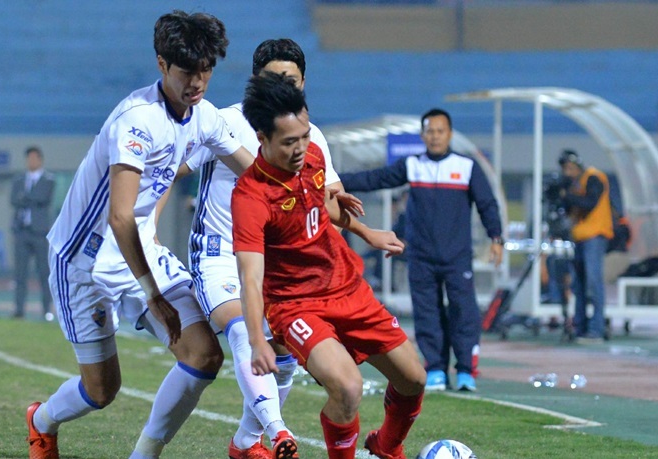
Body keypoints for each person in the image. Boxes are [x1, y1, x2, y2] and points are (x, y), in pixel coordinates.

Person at [25, 10, 255, 459]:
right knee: (102, 390)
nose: (198, 81)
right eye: (188, 70)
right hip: (82, 262)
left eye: (206, 70)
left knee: (204, 354)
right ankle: (41, 420)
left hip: (138, 248)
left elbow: (259, 172)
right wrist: (154, 297)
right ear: (161, 65)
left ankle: (144, 454)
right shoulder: (136, 119)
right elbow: (120, 217)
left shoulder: (204, 117)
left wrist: (322, 195)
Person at [233, 72, 426, 459]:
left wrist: (365, 230)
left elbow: (321, 202)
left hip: (346, 287)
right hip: (296, 305)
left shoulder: (313, 157)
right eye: (289, 142)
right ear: (262, 139)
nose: (301, 147)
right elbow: (250, 279)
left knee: (413, 378)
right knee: (348, 387)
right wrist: (257, 340)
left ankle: (386, 446)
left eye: (305, 136)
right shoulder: (251, 198)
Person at [182, 38, 341, 459]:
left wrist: (358, 229)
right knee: (243, 331)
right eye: (273, 80)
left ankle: (244, 443)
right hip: (218, 255)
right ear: (255, 81)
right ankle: (278, 431)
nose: (282, 88)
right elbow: (173, 169)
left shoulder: (311, 136)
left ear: (303, 83)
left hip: (278, 266)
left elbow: (332, 199)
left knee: (284, 356)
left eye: (290, 80)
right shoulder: (223, 121)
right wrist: (146, 226)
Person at [339, 108, 503, 392]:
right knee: (427, 314)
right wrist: (334, 179)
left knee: (464, 313)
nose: (435, 136)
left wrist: (497, 238)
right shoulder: (413, 165)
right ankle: (436, 368)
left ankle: (466, 370)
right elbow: (376, 178)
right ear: (422, 135)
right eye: (430, 131)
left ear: (449, 134)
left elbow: (487, 204)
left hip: (457, 257)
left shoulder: (466, 167)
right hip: (421, 257)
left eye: (440, 131)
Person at [558, 149, 614, 343]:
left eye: (570, 168)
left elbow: (590, 202)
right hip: (579, 237)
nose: (567, 172)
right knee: (578, 284)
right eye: (565, 169)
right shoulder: (575, 184)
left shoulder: (594, 177)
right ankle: (580, 326)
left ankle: (597, 328)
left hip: (595, 236)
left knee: (593, 281)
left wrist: (566, 195)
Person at [10, 146, 55, 320]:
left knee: (44, 272)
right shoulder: (19, 179)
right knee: (20, 273)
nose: (31, 162)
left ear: (40, 160)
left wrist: (26, 197)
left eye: (34, 158)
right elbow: (14, 200)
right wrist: (29, 198)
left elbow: (43, 198)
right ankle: (19, 309)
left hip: (40, 232)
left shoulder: (48, 179)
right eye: (28, 158)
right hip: (22, 231)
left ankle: (46, 309)